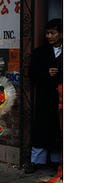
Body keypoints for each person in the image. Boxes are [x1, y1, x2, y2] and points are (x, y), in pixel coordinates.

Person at [25, 18, 63, 174]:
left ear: (61, 34)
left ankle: (56, 161)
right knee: (41, 128)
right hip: (45, 97)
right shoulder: (39, 52)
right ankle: (36, 161)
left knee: (58, 129)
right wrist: (46, 73)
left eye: (52, 33)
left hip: (62, 98)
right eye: (47, 33)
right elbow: (32, 74)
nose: (49, 36)